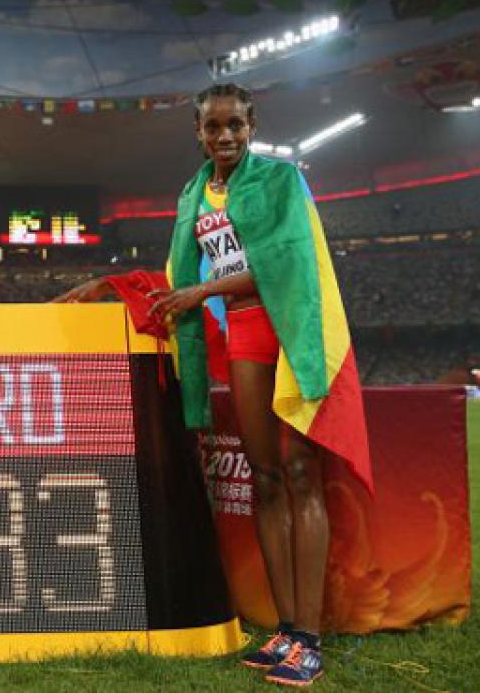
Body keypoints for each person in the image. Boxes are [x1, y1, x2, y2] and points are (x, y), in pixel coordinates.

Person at [113, 83, 369, 687]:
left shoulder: (279, 181)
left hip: (288, 326)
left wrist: (202, 292)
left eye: (235, 125)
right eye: (213, 127)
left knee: (302, 473)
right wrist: (112, 284)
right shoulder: (192, 196)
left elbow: (284, 264)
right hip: (247, 335)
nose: (225, 136)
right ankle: (285, 628)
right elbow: (180, 274)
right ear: (197, 134)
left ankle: (309, 636)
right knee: (265, 477)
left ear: (252, 125)